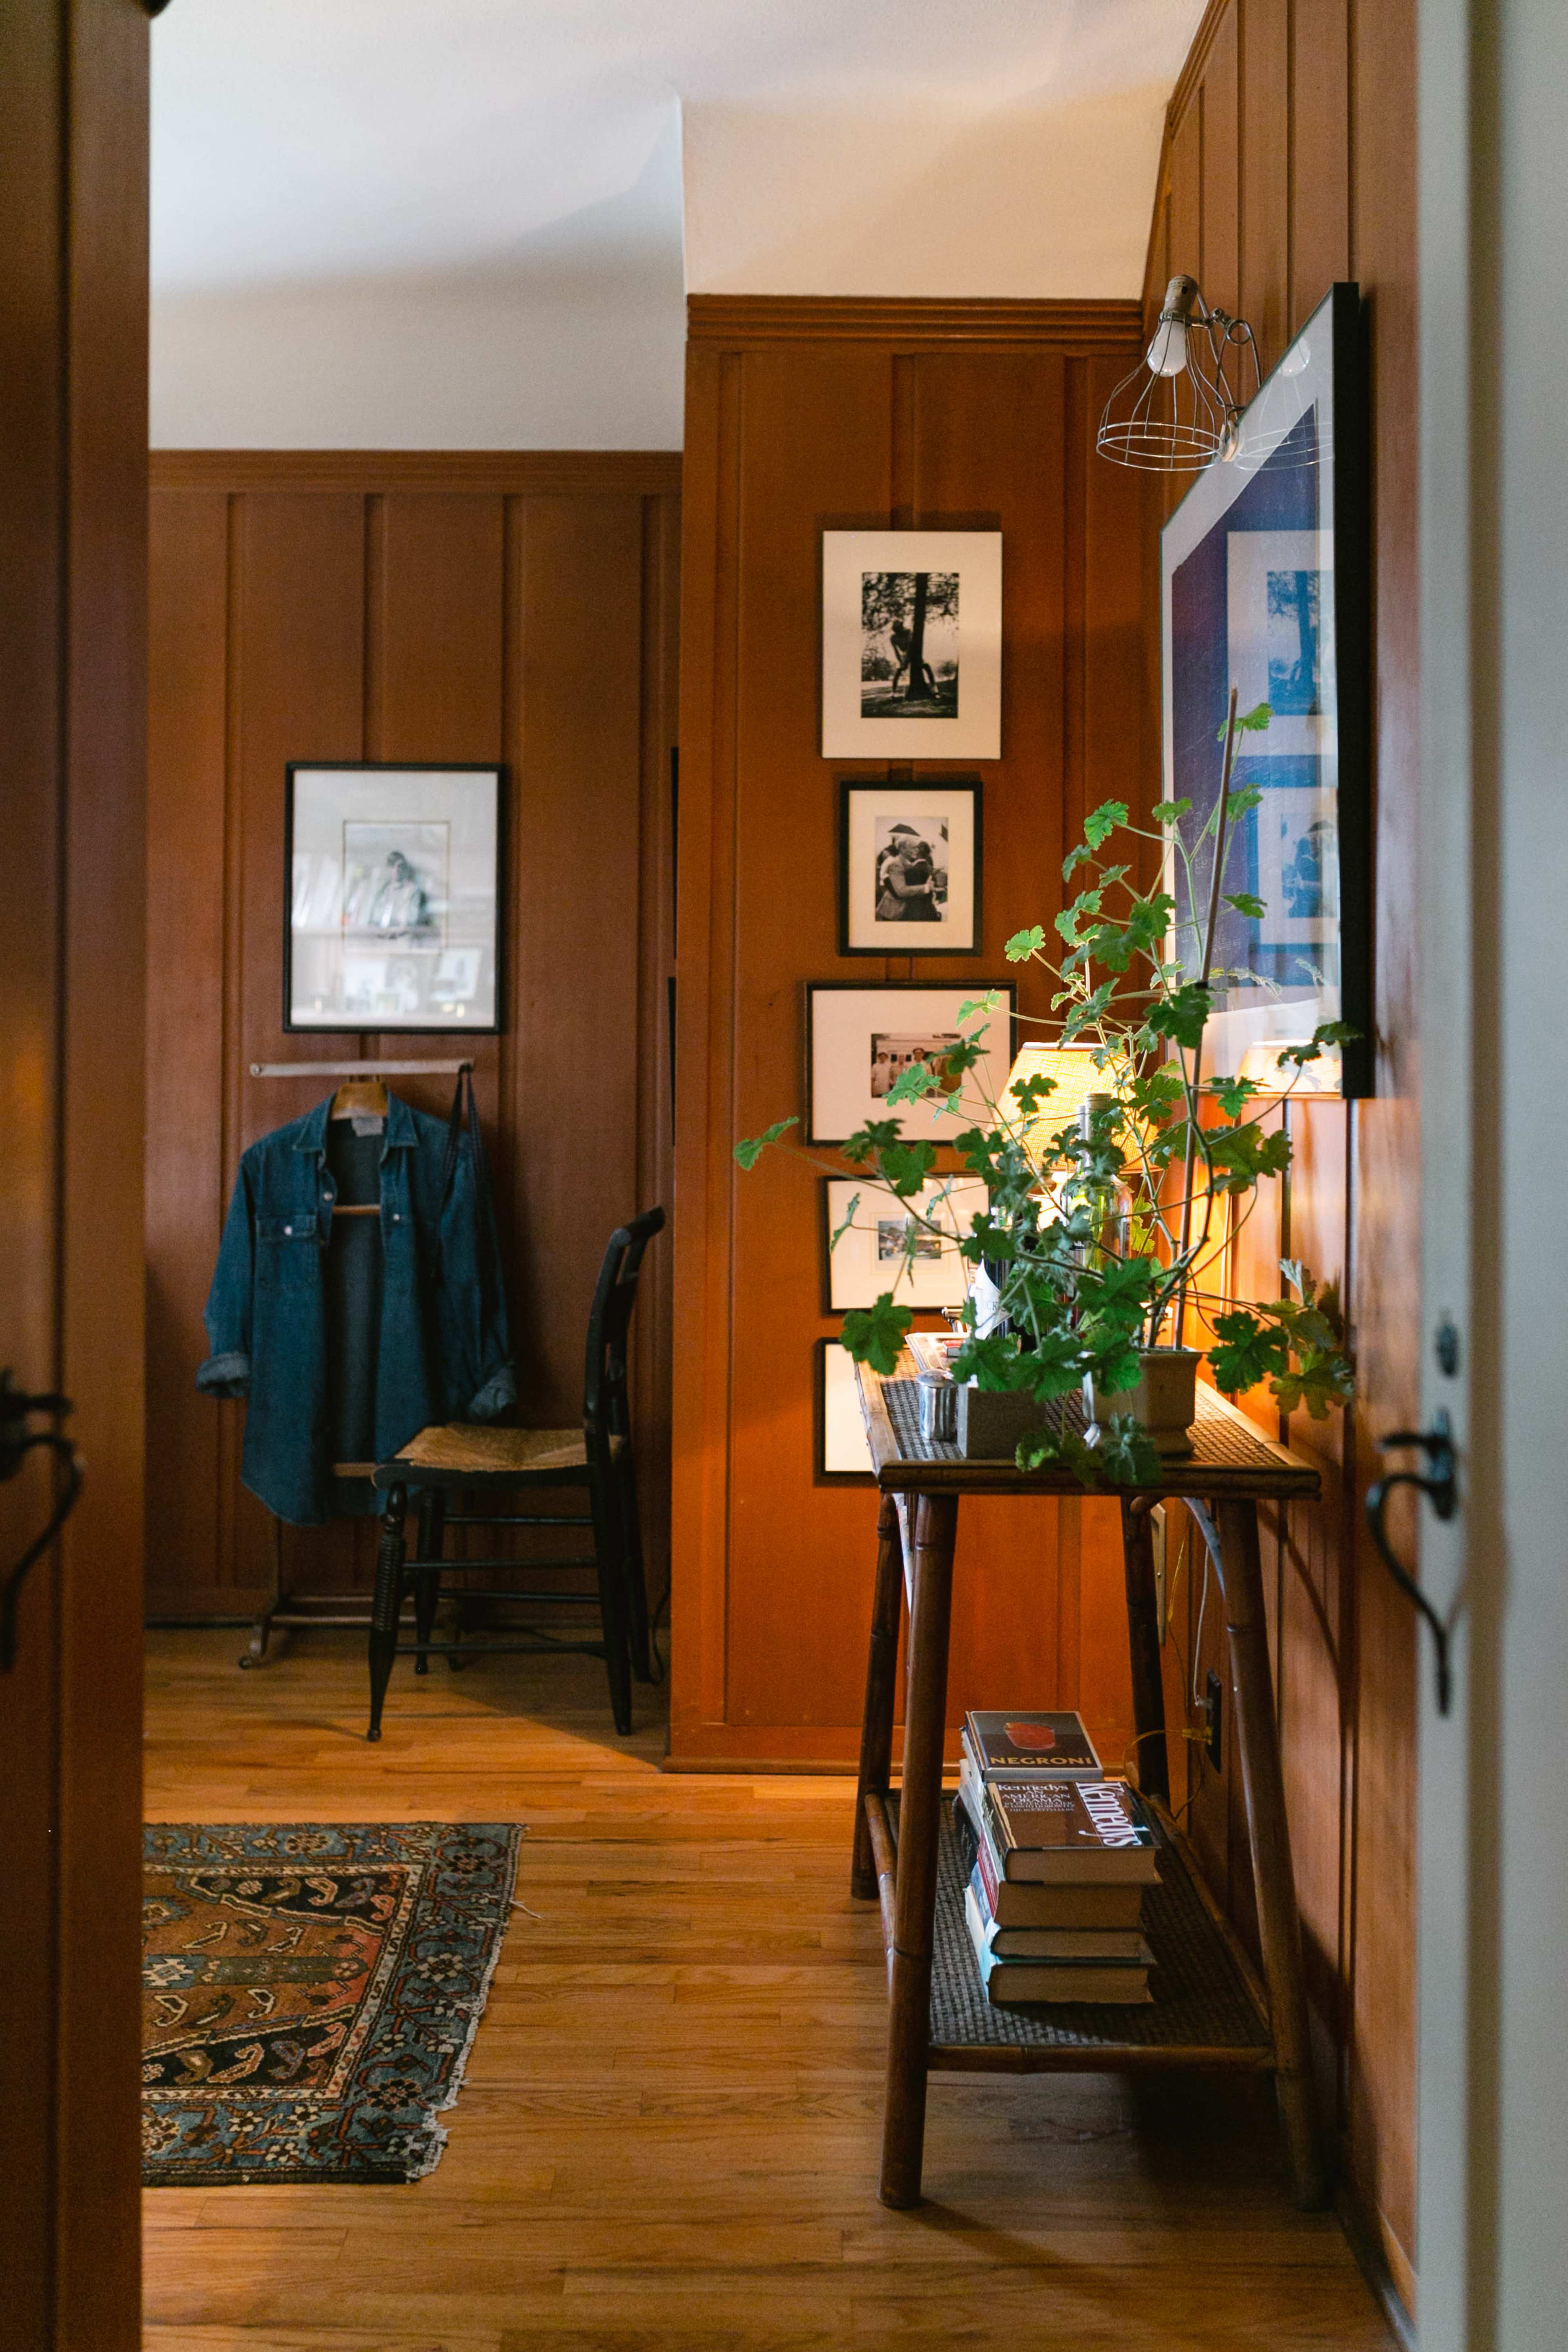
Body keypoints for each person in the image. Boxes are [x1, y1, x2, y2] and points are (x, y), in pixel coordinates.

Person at [877, 833, 940, 923]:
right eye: (913, 848)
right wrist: (926, 887)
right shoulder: (896, 864)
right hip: (893, 912)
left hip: (901, 910)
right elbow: (902, 891)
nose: (917, 850)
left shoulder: (908, 862)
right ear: (903, 849)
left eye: (917, 848)